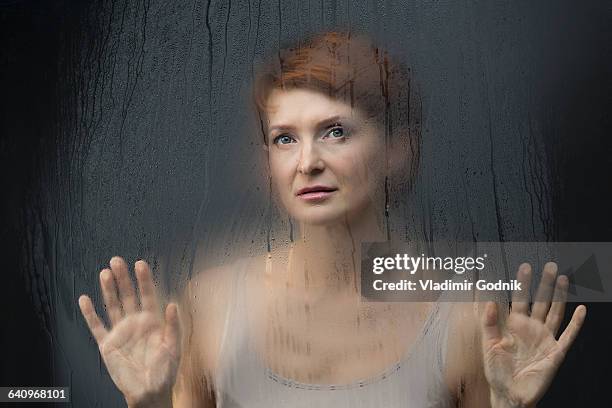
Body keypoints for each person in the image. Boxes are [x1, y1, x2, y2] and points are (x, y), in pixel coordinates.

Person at [77, 32, 587, 408]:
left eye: (336, 131)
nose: (307, 163)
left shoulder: (465, 313)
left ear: (398, 151)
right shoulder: (209, 302)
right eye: (285, 138)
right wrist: (147, 403)